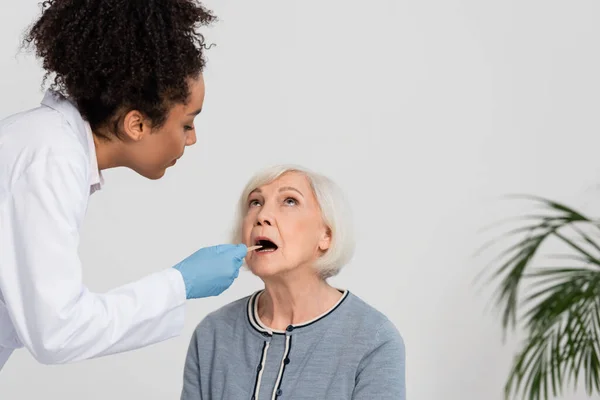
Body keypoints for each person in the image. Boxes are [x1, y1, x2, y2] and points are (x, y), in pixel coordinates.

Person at [0, 0, 249, 371]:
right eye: (187, 124)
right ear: (136, 125)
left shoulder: (46, 144)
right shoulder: (52, 159)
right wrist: (179, 284)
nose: (192, 139)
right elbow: (56, 333)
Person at [180, 165, 406, 400]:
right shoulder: (213, 332)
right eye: (255, 202)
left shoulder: (374, 339)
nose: (262, 216)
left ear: (326, 235)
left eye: (289, 201)